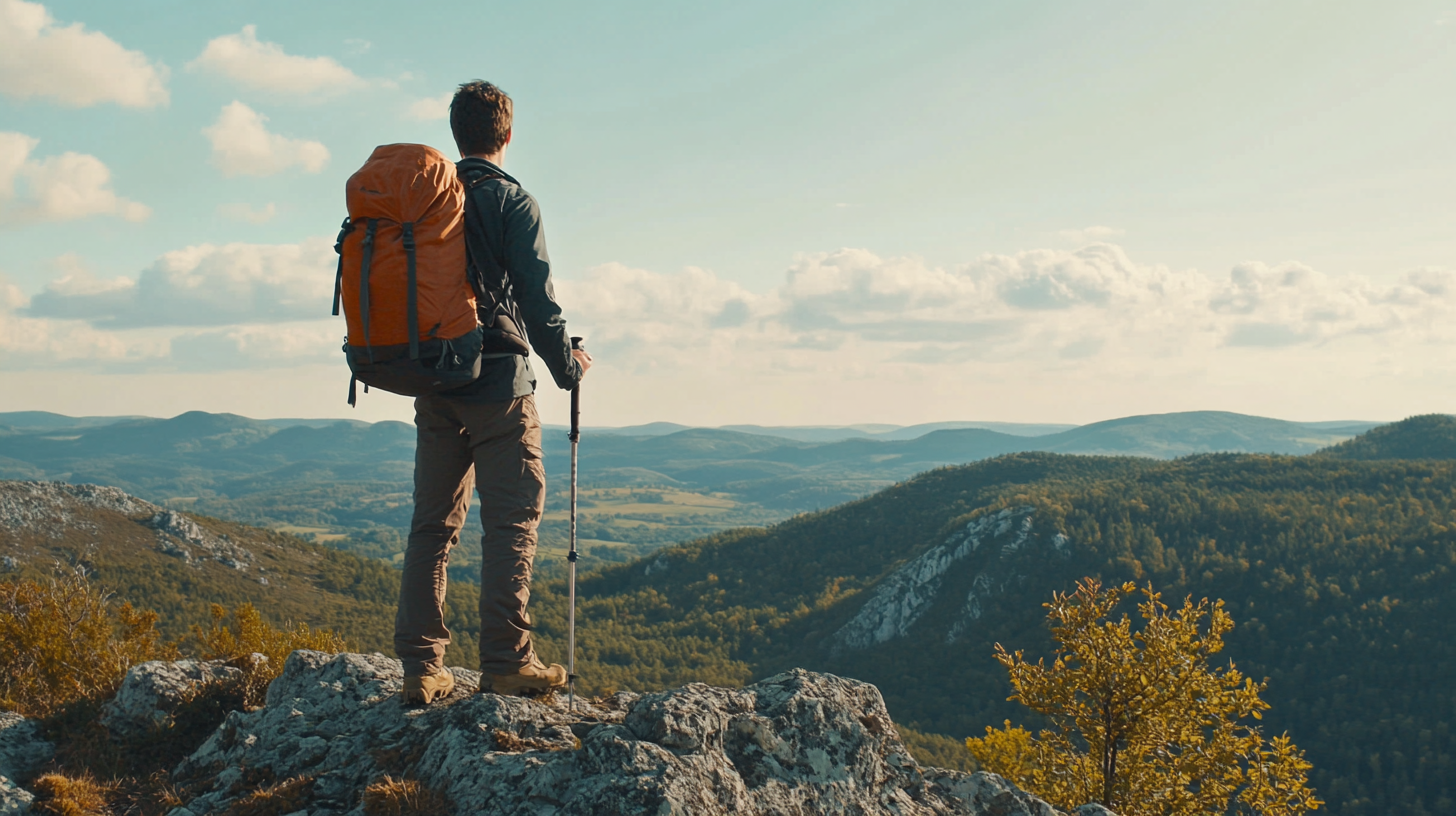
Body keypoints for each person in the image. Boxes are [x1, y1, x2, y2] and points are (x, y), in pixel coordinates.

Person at [396, 80, 592, 704]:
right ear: (507, 134)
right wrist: (569, 366)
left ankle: (422, 669)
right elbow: (538, 301)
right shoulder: (511, 200)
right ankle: (507, 661)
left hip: (433, 380)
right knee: (511, 524)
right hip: (500, 385)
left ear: (457, 134)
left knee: (431, 527)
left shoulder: (429, 200)